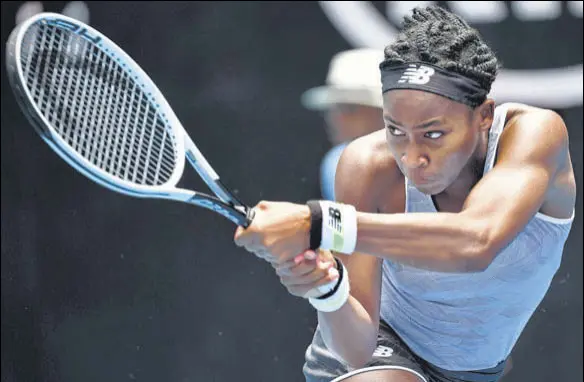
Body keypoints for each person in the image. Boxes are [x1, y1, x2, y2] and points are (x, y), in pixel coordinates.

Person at [234, 5, 576, 382]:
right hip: (381, 355)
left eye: (433, 134)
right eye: (395, 130)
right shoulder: (366, 165)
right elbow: (356, 349)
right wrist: (328, 288)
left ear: (483, 116)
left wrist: (318, 223)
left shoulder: (535, 134)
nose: (412, 158)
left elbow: (476, 242)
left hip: (478, 371)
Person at [300, 48, 385, 200]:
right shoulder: (338, 159)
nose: (336, 118)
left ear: (386, 112)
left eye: (349, 109)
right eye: (333, 109)